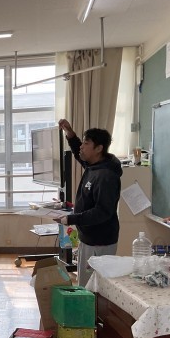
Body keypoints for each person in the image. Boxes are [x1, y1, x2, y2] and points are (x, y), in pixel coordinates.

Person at [56, 119, 122, 287]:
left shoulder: (106, 176)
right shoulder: (94, 166)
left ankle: (92, 306)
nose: (81, 147)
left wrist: (71, 219)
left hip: (100, 241)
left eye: (86, 143)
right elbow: (78, 152)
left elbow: (102, 212)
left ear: (98, 148)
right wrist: (70, 133)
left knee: (95, 287)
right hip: (89, 238)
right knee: (85, 284)